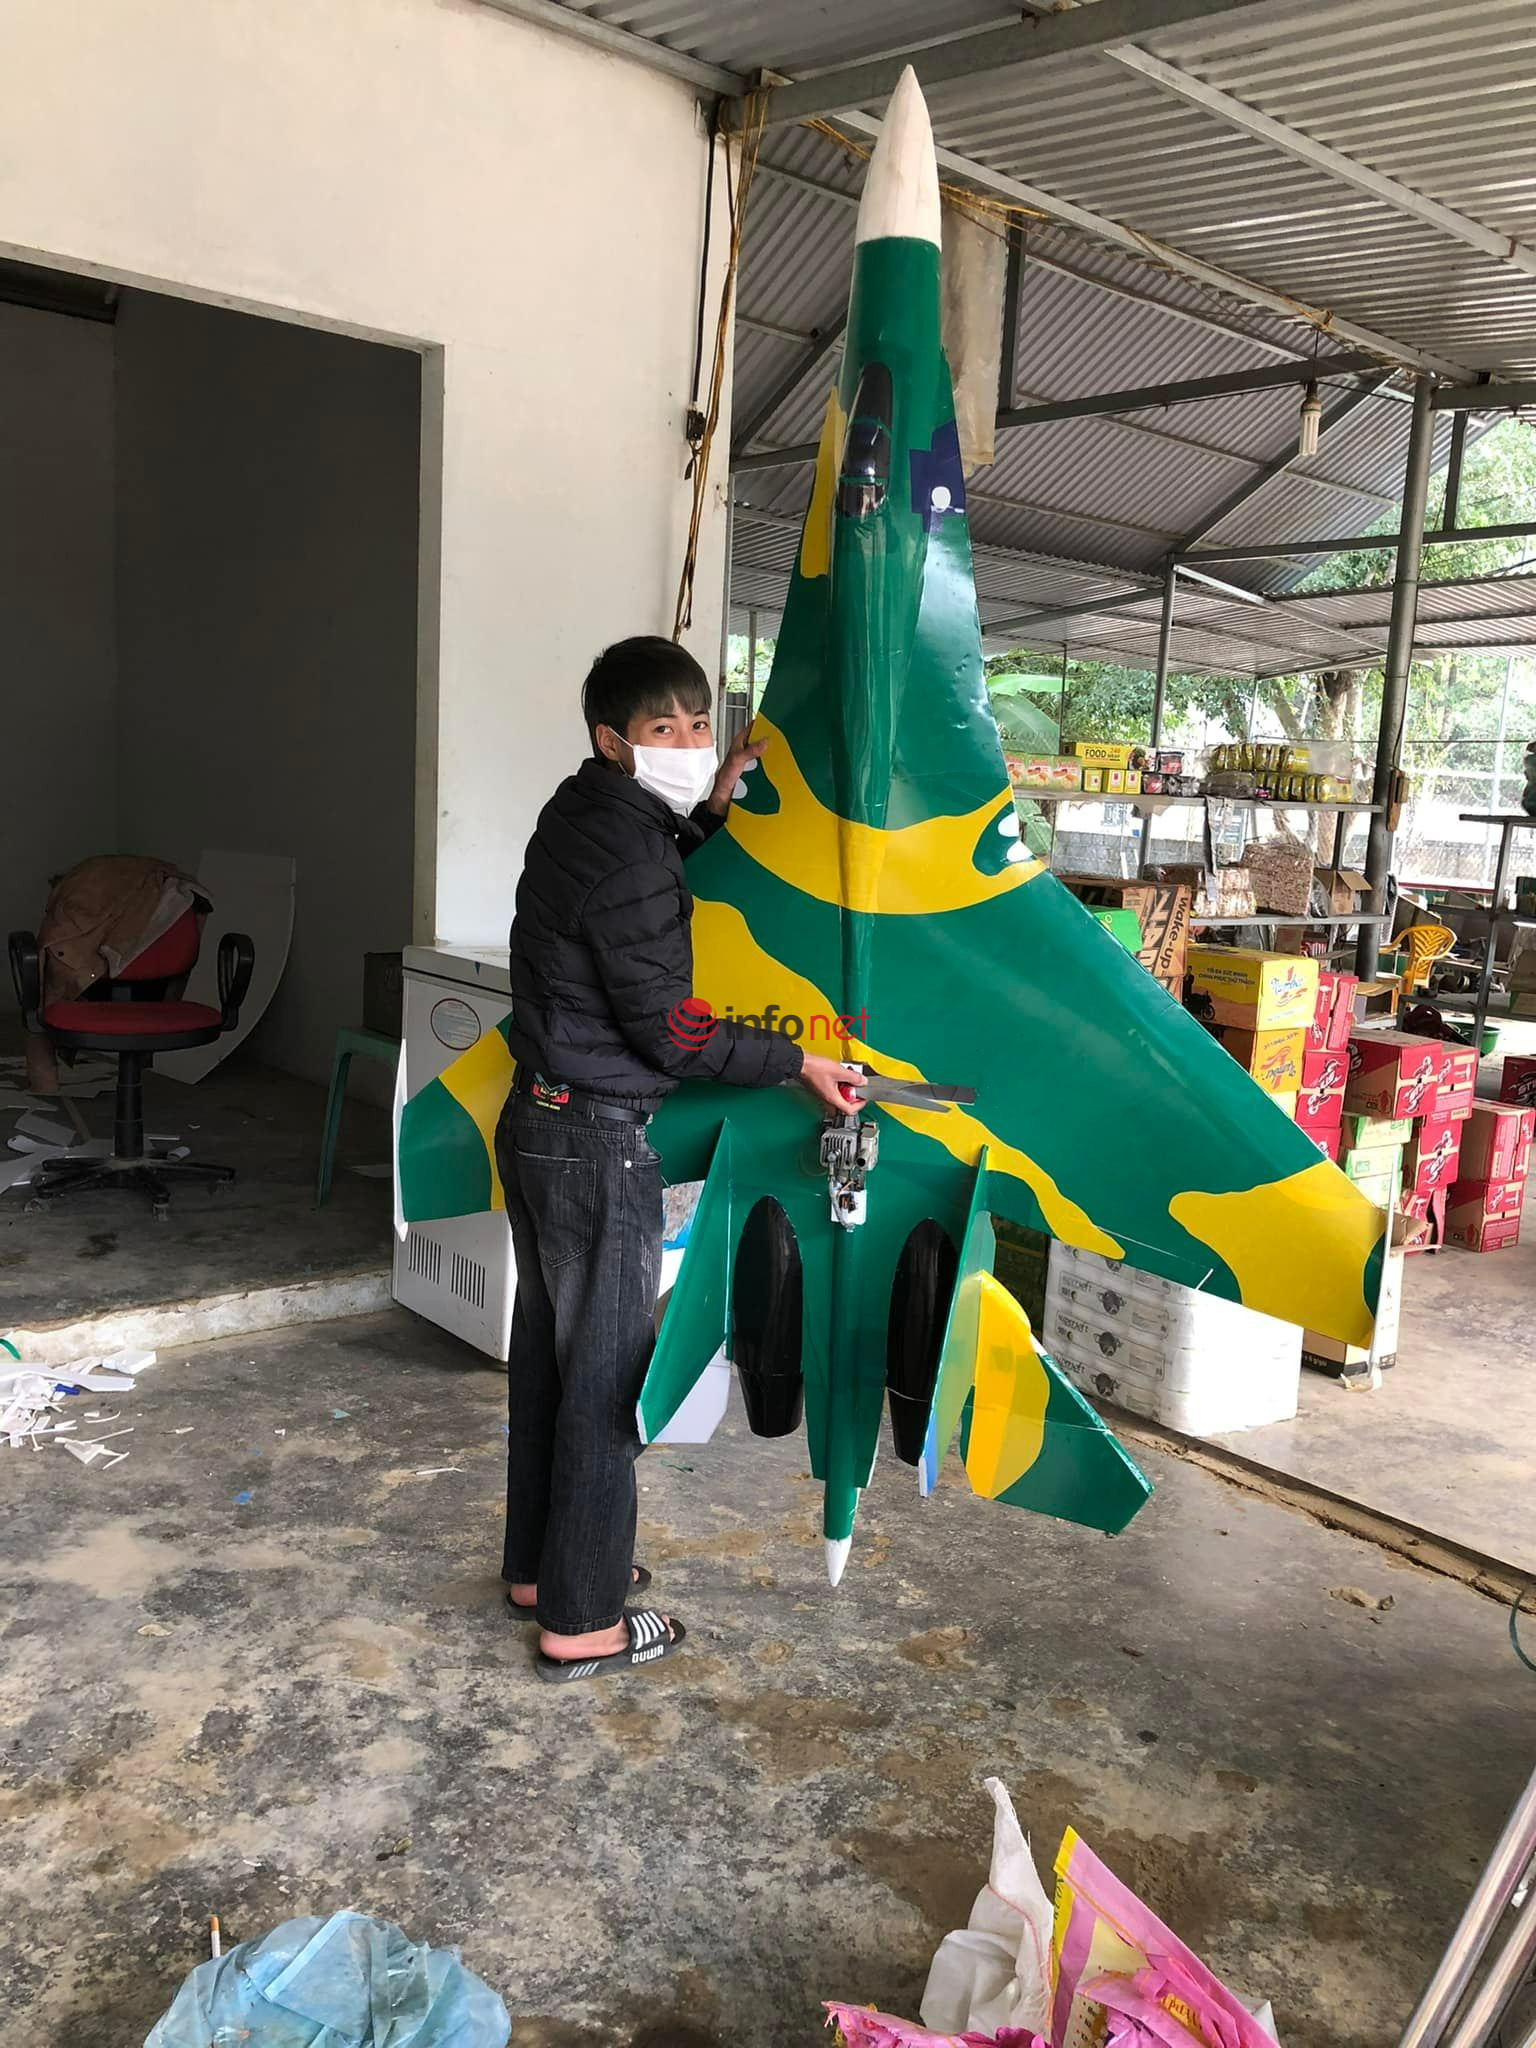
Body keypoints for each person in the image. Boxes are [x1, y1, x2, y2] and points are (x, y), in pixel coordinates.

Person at [496, 635, 863, 1683]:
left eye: (701, 724)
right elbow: (670, 1028)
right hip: (596, 1143)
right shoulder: (629, 853)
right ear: (614, 740)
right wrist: (794, 1060)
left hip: (539, 1120)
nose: (691, 743)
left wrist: (714, 806)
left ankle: (543, 1570)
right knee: (611, 1380)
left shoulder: (584, 812)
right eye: (665, 729)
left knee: (551, 1364)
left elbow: (637, 882)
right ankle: (583, 1621)